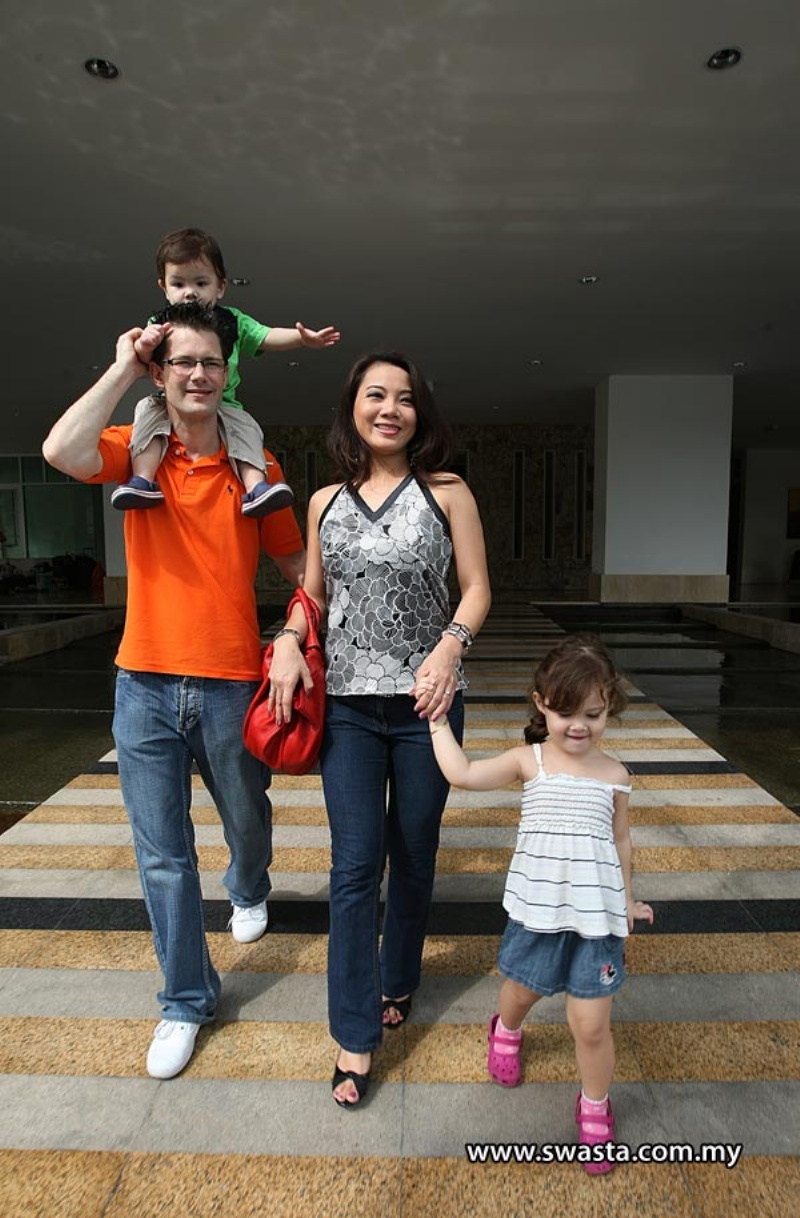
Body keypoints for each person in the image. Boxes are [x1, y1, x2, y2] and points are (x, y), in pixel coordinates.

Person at [42, 301, 305, 1080]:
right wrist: (123, 365)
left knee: (247, 819)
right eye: (183, 361)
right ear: (161, 372)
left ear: (228, 373)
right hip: (145, 684)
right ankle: (186, 1000)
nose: (198, 374)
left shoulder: (257, 465)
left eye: (211, 362)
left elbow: (298, 568)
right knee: (163, 856)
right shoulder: (136, 448)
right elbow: (60, 449)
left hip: (232, 684)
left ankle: (249, 884)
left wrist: (296, 637)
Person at [268, 352, 491, 1108]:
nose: (389, 409)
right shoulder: (324, 502)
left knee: (414, 854)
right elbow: (313, 595)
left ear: (420, 415)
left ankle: (399, 975)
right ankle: (355, 1032)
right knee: (356, 865)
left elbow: (477, 588)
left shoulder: (448, 493)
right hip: (350, 711)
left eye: (404, 398)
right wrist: (291, 638)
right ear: (353, 409)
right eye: (375, 395)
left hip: (429, 706)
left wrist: (450, 647)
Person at [428, 635, 654, 1175]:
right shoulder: (528, 762)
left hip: (597, 922)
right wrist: (436, 722)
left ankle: (595, 1105)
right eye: (565, 713)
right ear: (541, 704)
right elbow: (463, 775)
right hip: (539, 914)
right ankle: (506, 1029)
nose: (579, 726)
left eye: (593, 715)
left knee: (591, 1026)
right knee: (522, 991)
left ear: (610, 707)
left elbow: (620, 840)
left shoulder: (616, 776)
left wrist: (625, 898)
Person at [111, 226, 340, 517]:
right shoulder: (159, 323)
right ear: (164, 288)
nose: (190, 292)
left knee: (246, 430)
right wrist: (145, 344)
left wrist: (302, 339)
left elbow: (265, 335)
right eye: (178, 284)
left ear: (220, 287)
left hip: (225, 405)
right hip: (169, 406)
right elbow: (144, 359)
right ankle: (143, 480)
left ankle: (256, 488)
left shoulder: (232, 321)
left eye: (201, 283)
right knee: (146, 413)